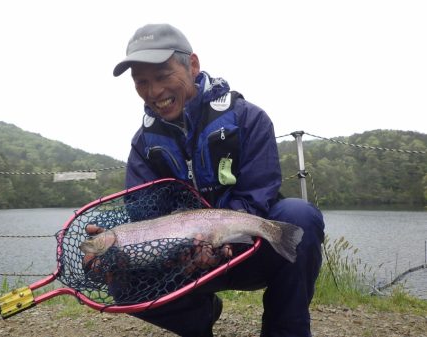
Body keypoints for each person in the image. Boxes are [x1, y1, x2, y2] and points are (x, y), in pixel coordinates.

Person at [109, 23, 325, 337]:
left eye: (162, 76)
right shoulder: (143, 145)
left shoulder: (249, 119)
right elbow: (144, 216)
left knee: (299, 217)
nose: (153, 91)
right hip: (182, 261)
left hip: (246, 249)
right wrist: (126, 248)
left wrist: (219, 237)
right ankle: (199, 317)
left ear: (192, 65)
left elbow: (257, 196)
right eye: (141, 81)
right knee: (118, 275)